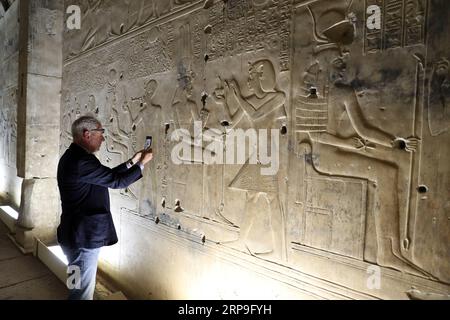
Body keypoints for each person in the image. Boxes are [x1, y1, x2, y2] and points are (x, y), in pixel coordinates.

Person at [56, 115, 153, 300]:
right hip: (82, 240)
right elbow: (116, 182)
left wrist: (131, 162)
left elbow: (106, 176)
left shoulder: (74, 157)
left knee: (76, 286)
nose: (103, 137)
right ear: (87, 134)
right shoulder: (81, 161)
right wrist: (142, 165)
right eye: (101, 133)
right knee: (81, 293)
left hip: (72, 237)